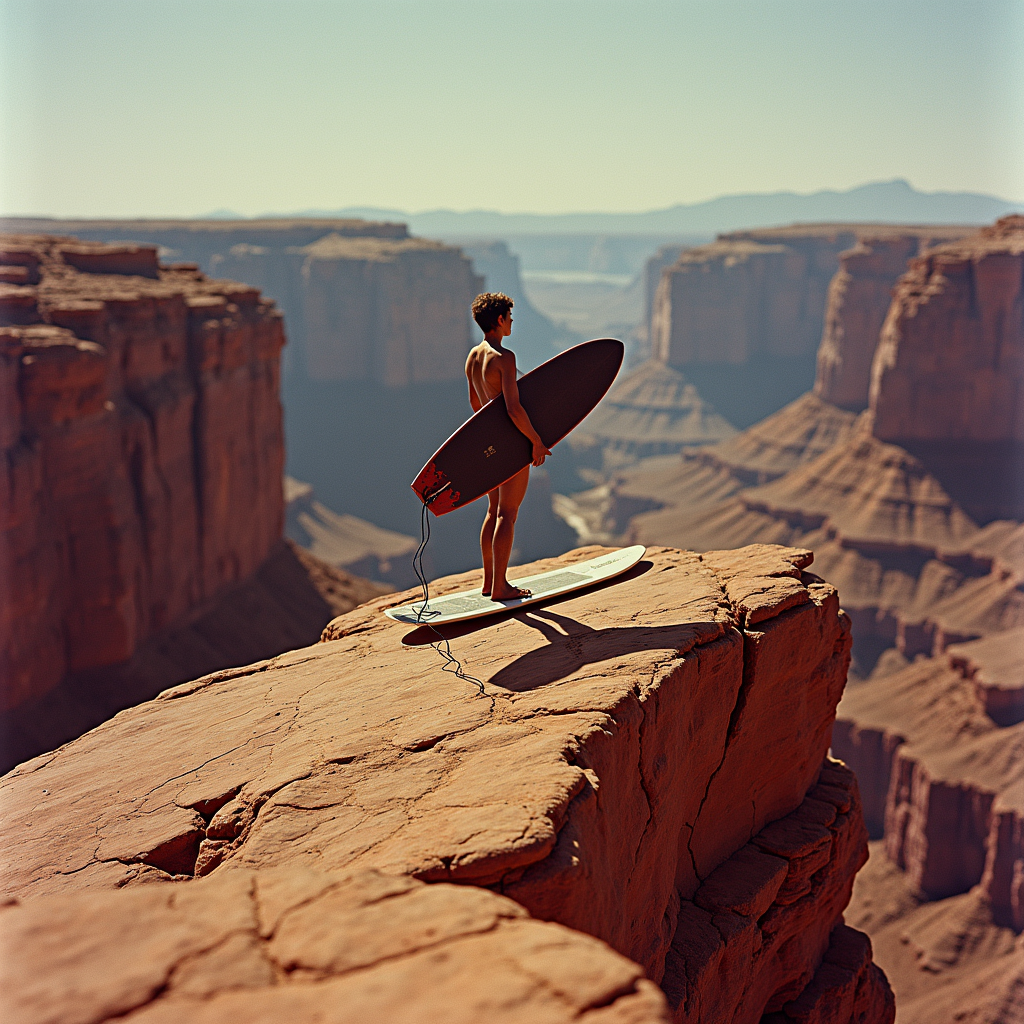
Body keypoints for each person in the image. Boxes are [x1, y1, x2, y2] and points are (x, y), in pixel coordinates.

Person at [466, 292, 551, 600]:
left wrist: (489, 439)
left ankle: (489, 582)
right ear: (499, 320)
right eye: (510, 317)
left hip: (489, 443)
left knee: (492, 510)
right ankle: (501, 587)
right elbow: (514, 408)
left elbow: (476, 405)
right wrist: (536, 441)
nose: (512, 321)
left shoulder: (473, 357)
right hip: (511, 443)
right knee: (508, 513)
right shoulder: (505, 358)